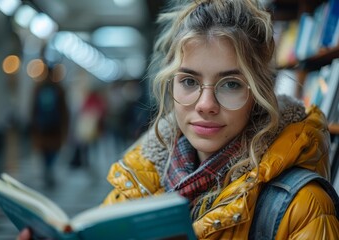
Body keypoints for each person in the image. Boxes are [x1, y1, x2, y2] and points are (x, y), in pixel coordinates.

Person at [18, 0, 339, 239]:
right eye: (188, 81)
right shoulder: (139, 182)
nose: (206, 104)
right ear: (170, 84)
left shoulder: (302, 207)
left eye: (230, 84)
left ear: (258, 93)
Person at [30, 64, 69, 187]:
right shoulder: (59, 89)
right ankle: (49, 169)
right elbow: (64, 110)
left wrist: (33, 125)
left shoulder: (38, 88)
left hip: (42, 127)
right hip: (55, 128)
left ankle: (47, 169)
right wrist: (65, 126)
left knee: (45, 151)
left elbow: (33, 109)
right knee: (53, 151)